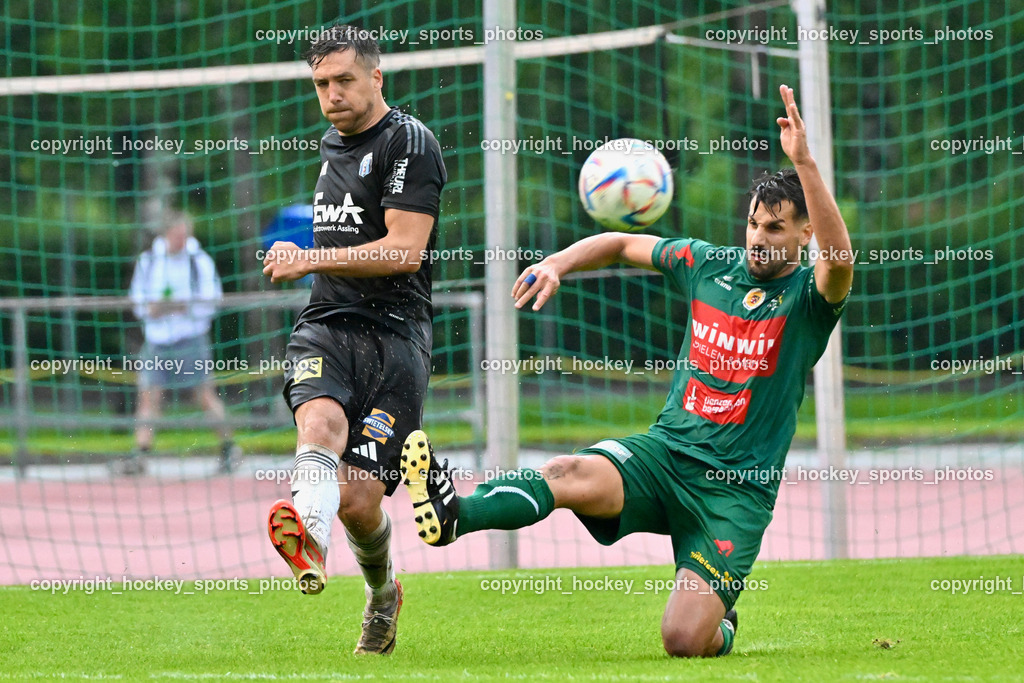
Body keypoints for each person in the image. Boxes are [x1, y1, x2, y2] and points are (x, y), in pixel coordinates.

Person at [401, 84, 854, 658]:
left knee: (683, 640)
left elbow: (840, 261)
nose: (759, 238)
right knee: (569, 472)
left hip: (735, 494)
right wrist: (557, 262)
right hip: (665, 456)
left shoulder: (808, 301)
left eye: (776, 228)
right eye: (754, 224)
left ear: (804, 233)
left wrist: (805, 164)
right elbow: (618, 241)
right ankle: (454, 513)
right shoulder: (707, 264)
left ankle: (723, 616)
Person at [261, 24, 446, 656]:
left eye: (344, 79)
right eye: (320, 84)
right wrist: (302, 256)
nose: (332, 94)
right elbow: (336, 247)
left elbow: (404, 250)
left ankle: (383, 591)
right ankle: (306, 536)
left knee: (361, 500)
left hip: (397, 336)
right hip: (329, 323)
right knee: (316, 426)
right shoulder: (329, 145)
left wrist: (309, 256)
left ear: (376, 76)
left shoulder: (410, 143)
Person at [125, 211, 239, 476]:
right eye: (178, 235)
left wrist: (180, 307)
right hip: (157, 340)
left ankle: (229, 448)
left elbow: (212, 299)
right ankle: (140, 454)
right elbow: (137, 300)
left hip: (191, 338)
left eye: (186, 235)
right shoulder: (149, 261)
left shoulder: (199, 261)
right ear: (166, 233)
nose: (182, 240)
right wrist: (153, 309)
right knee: (148, 397)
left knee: (204, 395)